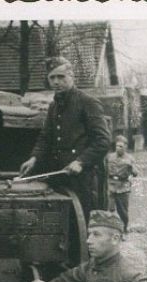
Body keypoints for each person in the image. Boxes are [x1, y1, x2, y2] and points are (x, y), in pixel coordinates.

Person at [19, 57, 111, 219]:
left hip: (82, 180)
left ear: (71, 76)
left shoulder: (87, 102)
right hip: (59, 176)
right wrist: (34, 158)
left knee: (80, 223)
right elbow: (45, 137)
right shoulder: (54, 106)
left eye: (61, 77)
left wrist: (81, 162)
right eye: (52, 77)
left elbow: (103, 140)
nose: (56, 82)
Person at [106, 135, 138, 233]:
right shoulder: (109, 157)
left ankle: (124, 229)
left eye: (121, 146)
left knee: (123, 211)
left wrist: (131, 167)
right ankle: (111, 230)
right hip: (111, 185)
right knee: (109, 210)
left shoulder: (130, 158)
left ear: (125, 147)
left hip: (123, 187)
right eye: (117, 146)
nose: (118, 148)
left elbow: (135, 173)